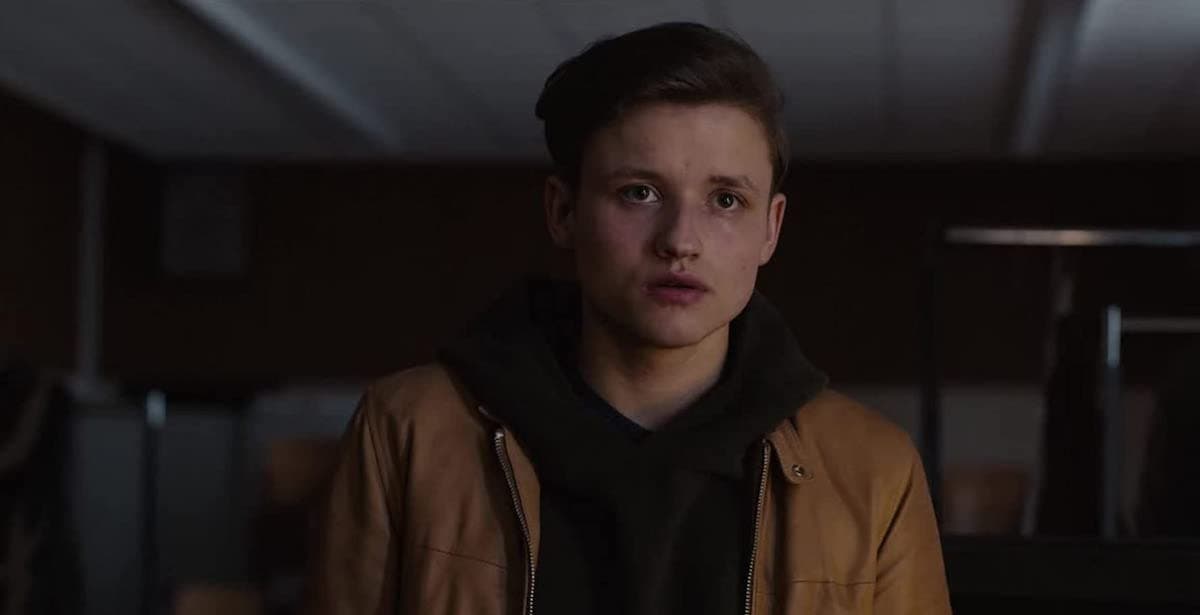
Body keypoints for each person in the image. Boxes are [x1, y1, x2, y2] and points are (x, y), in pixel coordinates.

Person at [305, 22, 950, 615]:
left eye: (726, 200)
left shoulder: (872, 469)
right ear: (563, 212)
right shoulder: (409, 431)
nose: (680, 240)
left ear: (770, 229)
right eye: (638, 193)